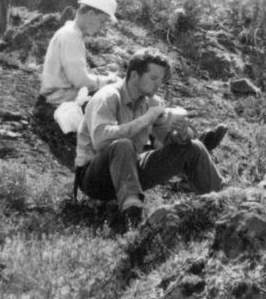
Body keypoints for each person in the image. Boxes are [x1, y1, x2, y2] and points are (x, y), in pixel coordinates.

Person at [74, 49, 224, 230]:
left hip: (130, 169)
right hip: (95, 178)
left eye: (161, 79)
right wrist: (146, 119)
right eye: (153, 78)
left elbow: (167, 139)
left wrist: (181, 135)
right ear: (134, 75)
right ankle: (132, 217)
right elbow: (100, 140)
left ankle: (224, 204)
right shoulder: (109, 96)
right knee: (123, 145)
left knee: (194, 147)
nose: (158, 84)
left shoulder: (151, 102)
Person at [33, 0, 122, 167]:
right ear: (90, 13)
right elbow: (80, 81)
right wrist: (108, 81)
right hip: (59, 101)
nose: (102, 26)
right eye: (102, 21)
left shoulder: (70, 34)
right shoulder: (70, 37)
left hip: (60, 97)